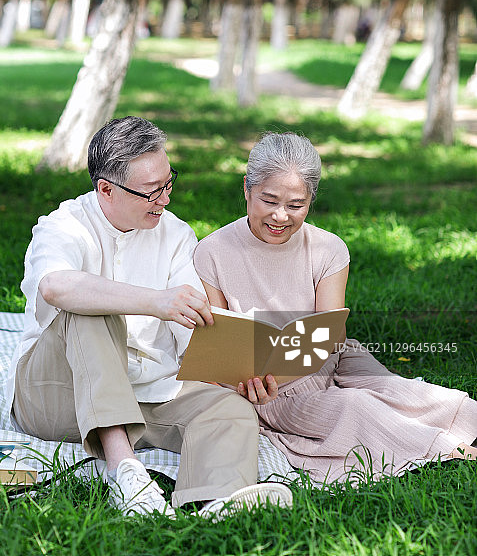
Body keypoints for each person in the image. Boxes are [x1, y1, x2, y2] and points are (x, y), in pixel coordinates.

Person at [6, 117, 292, 517]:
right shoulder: (64, 226)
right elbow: (55, 287)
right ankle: (125, 471)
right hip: (58, 397)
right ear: (106, 189)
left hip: (148, 394)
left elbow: (190, 325)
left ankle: (217, 502)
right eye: (150, 192)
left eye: (167, 183)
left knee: (228, 408)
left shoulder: (176, 235)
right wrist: (154, 301)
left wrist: (236, 372)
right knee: (88, 305)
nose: (164, 200)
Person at [193, 132, 477, 485]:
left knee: (409, 393)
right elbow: (218, 351)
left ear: (311, 199)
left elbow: (329, 336)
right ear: (247, 189)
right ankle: (448, 449)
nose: (281, 216)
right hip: (268, 388)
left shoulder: (328, 249)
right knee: (356, 407)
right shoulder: (212, 251)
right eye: (269, 200)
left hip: (332, 357)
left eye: (296, 205)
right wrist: (245, 386)